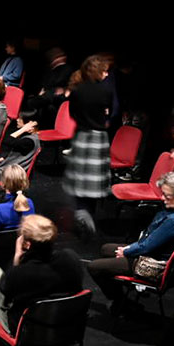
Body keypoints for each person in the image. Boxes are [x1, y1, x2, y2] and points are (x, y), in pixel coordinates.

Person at [0, 214, 85, 346]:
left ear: (27, 244)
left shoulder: (22, 273)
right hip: (65, 330)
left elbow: (4, 296)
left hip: (27, 333)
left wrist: (17, 257)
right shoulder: (71, 259)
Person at [87, 170, 174, 312]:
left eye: (167, 196)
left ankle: (120, 302)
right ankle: (125, 288)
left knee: (94, 267)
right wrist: (129, 249)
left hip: (154, 266)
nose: (162, 198)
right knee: (106, 249)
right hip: (158, 254)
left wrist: (127, 251)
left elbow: (147, 246)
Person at [65, 54, 115, 236]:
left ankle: (81, 211)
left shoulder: (77, 91)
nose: (107, 74)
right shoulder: (106, 91)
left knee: (80, 177)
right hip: (99, 137)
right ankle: (89, 213)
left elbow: (72, 113)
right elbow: (110, 113)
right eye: (104, 71)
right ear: (97, 71)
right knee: (94, 181)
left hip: (82, 135)